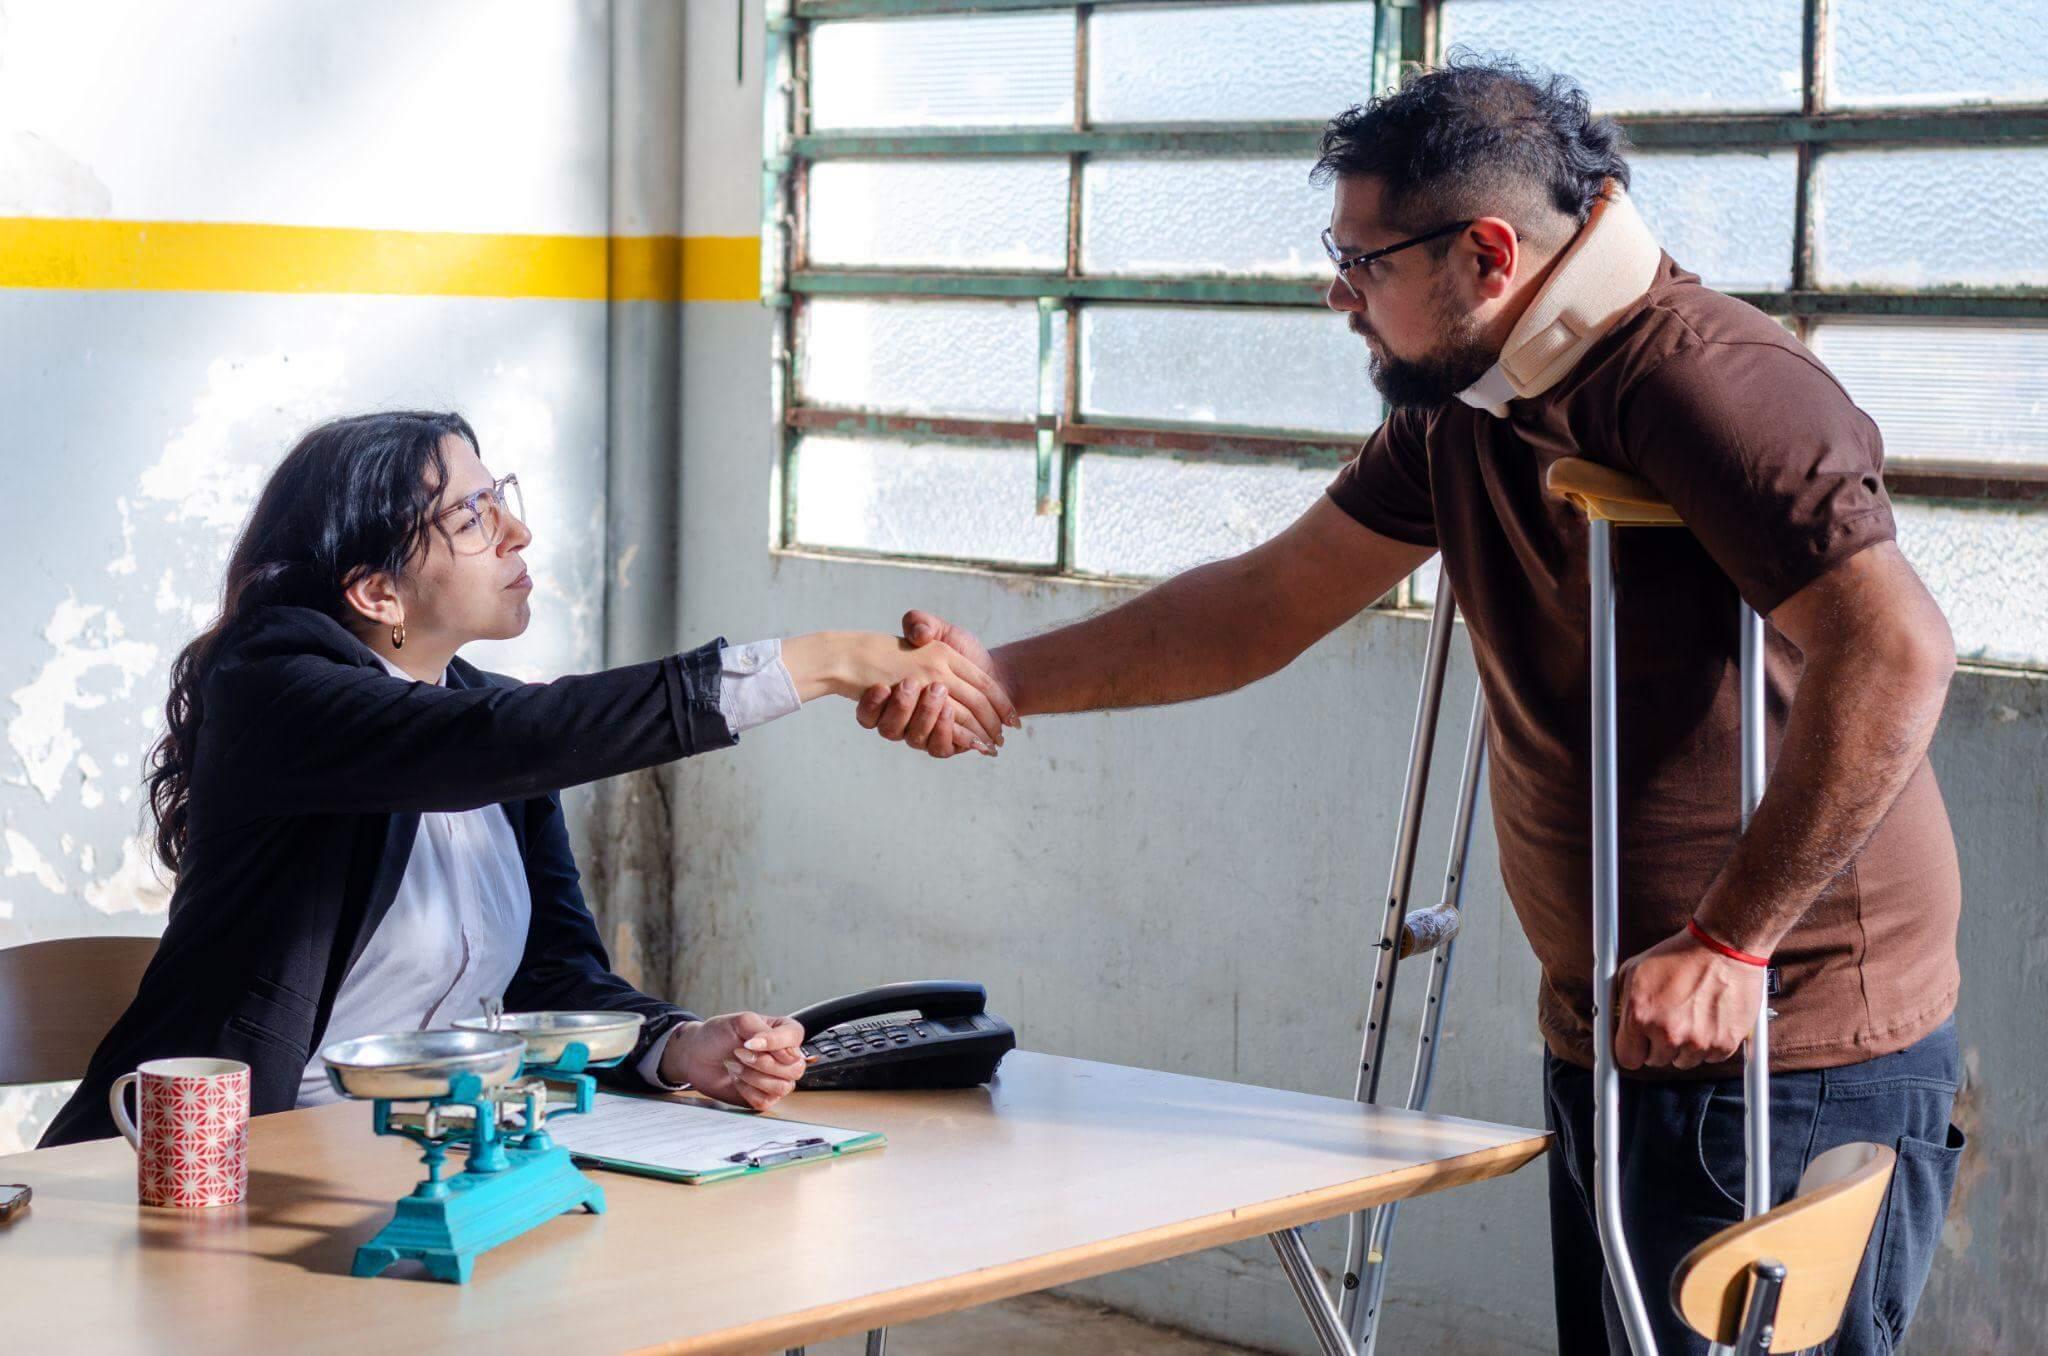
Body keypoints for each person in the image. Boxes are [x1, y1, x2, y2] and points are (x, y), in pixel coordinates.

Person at [854, 60, 1964, 1356]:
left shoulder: (1708, 383)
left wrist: (1732, 942)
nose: (1343, 296)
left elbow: (1897, 651)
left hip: (1788, 1026)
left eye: (1365, 261)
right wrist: (1001, 682)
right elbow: (1264, 604)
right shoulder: (1471, 403)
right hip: (1635, 1008)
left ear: (1486, 253)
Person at [43, 410, 1015, 1146]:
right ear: (376, 591)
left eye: (497, 495)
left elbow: (553, 976)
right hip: (215, 1174)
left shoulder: (492, 727)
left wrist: (677, 1047)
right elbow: (491, 740)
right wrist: (822, 661)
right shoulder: (275, 685)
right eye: (469, 513)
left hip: (434, 1154)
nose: (516, 533)